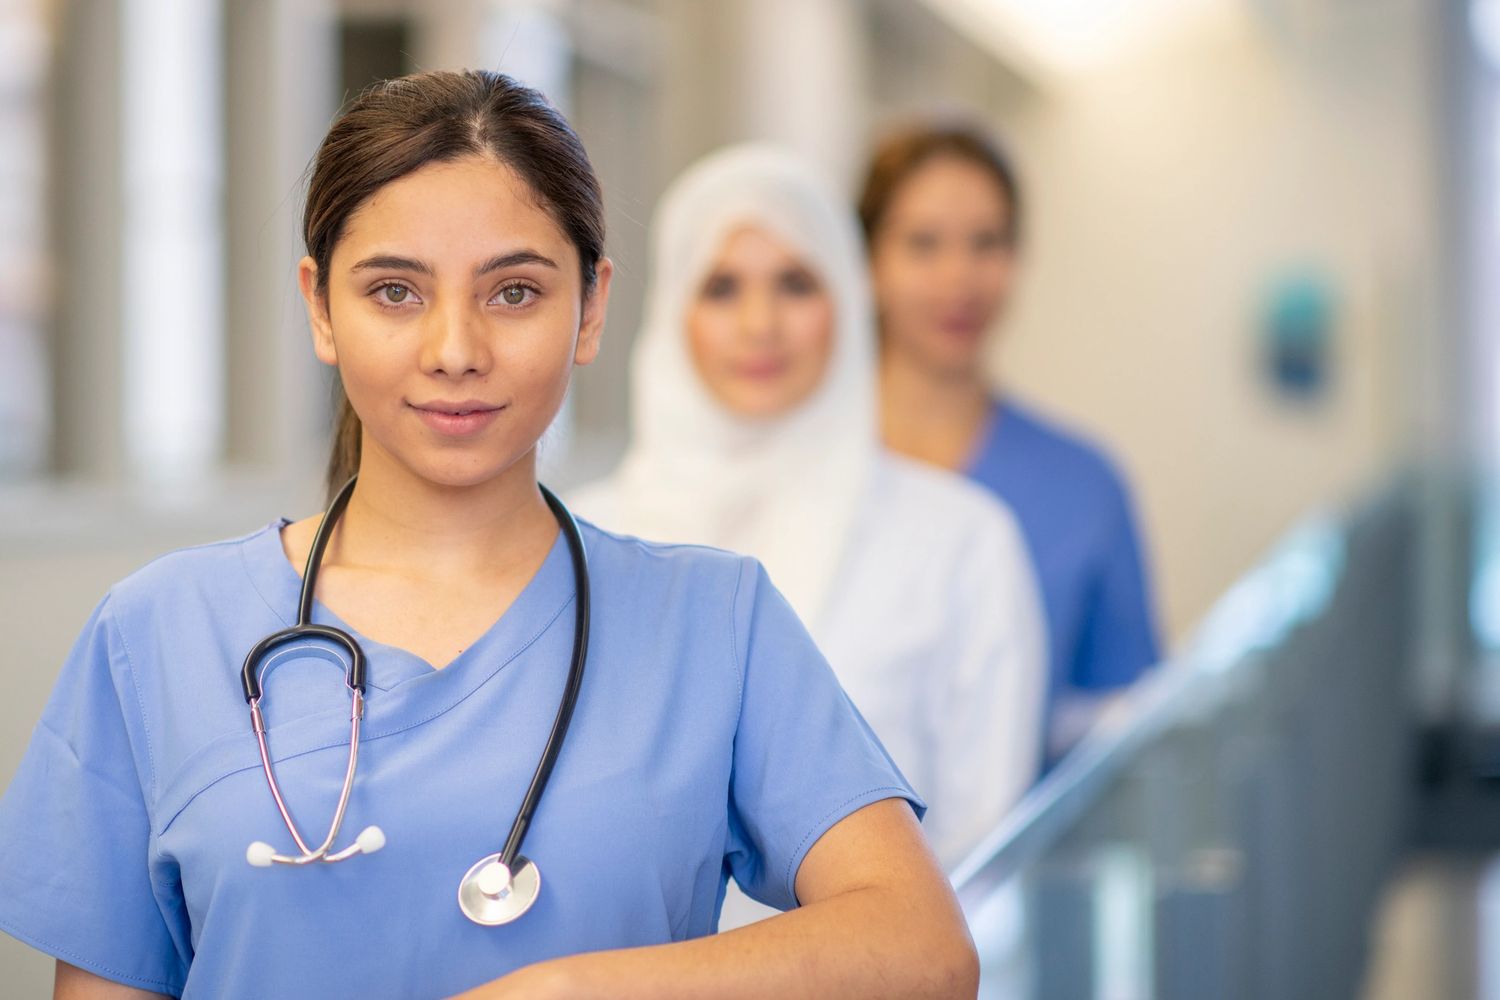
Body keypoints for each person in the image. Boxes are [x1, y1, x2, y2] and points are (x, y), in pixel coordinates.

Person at [0, 72, 980, 1000]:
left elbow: (924, 949)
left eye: (514, 292)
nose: (456, 350)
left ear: (591, 309)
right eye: (395, 291)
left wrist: (570, 988)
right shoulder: (156, 633)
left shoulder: (713, 621)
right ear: (319, 307)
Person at [571, 144, 1046, 875]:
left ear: (848, 300)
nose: (760, 323)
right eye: (721, 287)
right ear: (672, 308)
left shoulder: (962, 541)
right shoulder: (580, 540)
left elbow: (981, 846)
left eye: (796, 284)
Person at [859, 123, 1161, 763]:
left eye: (987, 242)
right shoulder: (806, 471)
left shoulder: (1084, 489)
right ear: (867, 263)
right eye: (923, 243)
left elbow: (1126, 735)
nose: (959, 277)